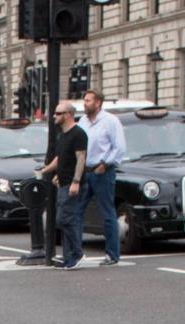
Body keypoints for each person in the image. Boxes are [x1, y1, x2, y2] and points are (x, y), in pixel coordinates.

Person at [76, 90, 127, 266]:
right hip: (85, 170)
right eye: (84, 100)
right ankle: (75, 252)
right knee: (77, 211)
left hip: (103, 171)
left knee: (107, 213)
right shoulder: (83, 121)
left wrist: (104, 164)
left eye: (88, 100)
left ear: (98, 103)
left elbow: (119, 147)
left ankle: (112, 254)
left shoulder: (110, 121)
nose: (85, 103)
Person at [37, 101, 88, 270]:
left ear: (68, 115)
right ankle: (69, 257)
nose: (54, 116)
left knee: (65, 219)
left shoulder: (78, 134)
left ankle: (78, 253)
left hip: (73, 184)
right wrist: (48, 170)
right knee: (66, 220)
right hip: (63, 182)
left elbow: (81, 158)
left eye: (58, 114)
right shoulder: (62, 136)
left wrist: (76, 182)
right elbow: (61, 159)